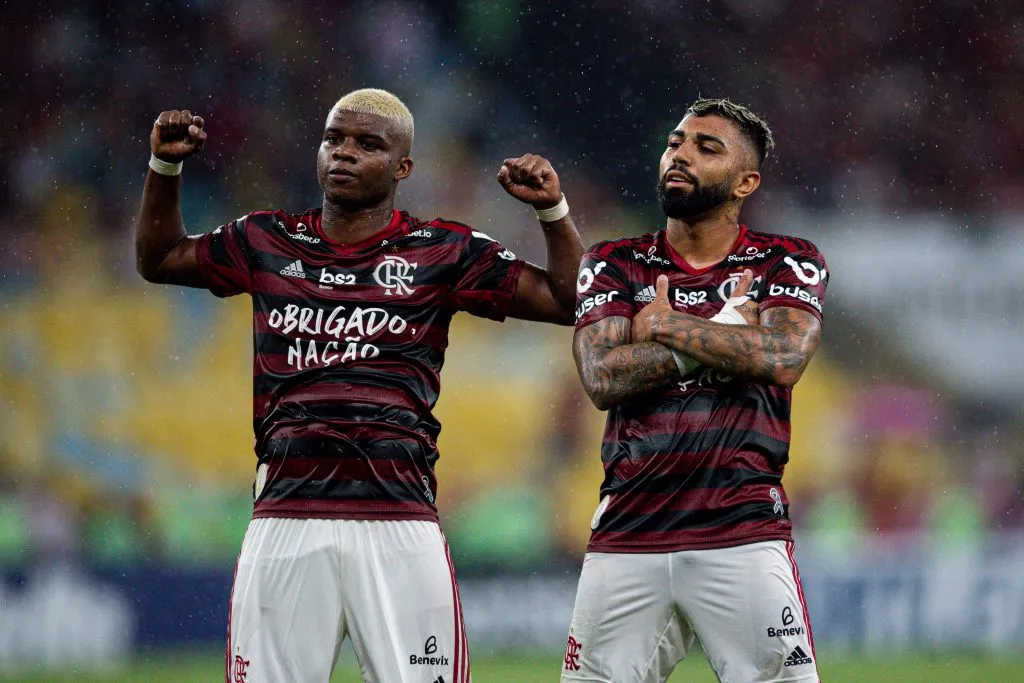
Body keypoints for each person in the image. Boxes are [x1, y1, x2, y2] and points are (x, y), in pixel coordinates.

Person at [135, 88, 584, 683]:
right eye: (333, 139)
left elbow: (569, 300)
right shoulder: (267, 239)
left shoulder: (442, 250)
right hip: (286, 520)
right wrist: (164, 167)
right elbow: (160, 258)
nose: (344, 152)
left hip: (398, 522)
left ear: (403, 168)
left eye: (368, 144)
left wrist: (552, 213)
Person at [565, 98, 828, 683]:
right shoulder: (613, 261)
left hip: (740, 530)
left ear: (745, 183)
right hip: (627, 533)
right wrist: (728, 329)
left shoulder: (786, 260)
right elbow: (604, 377)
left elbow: (783, 357)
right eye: (675, 143)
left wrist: (665, 326)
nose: (680, 155)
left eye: (706, 148)